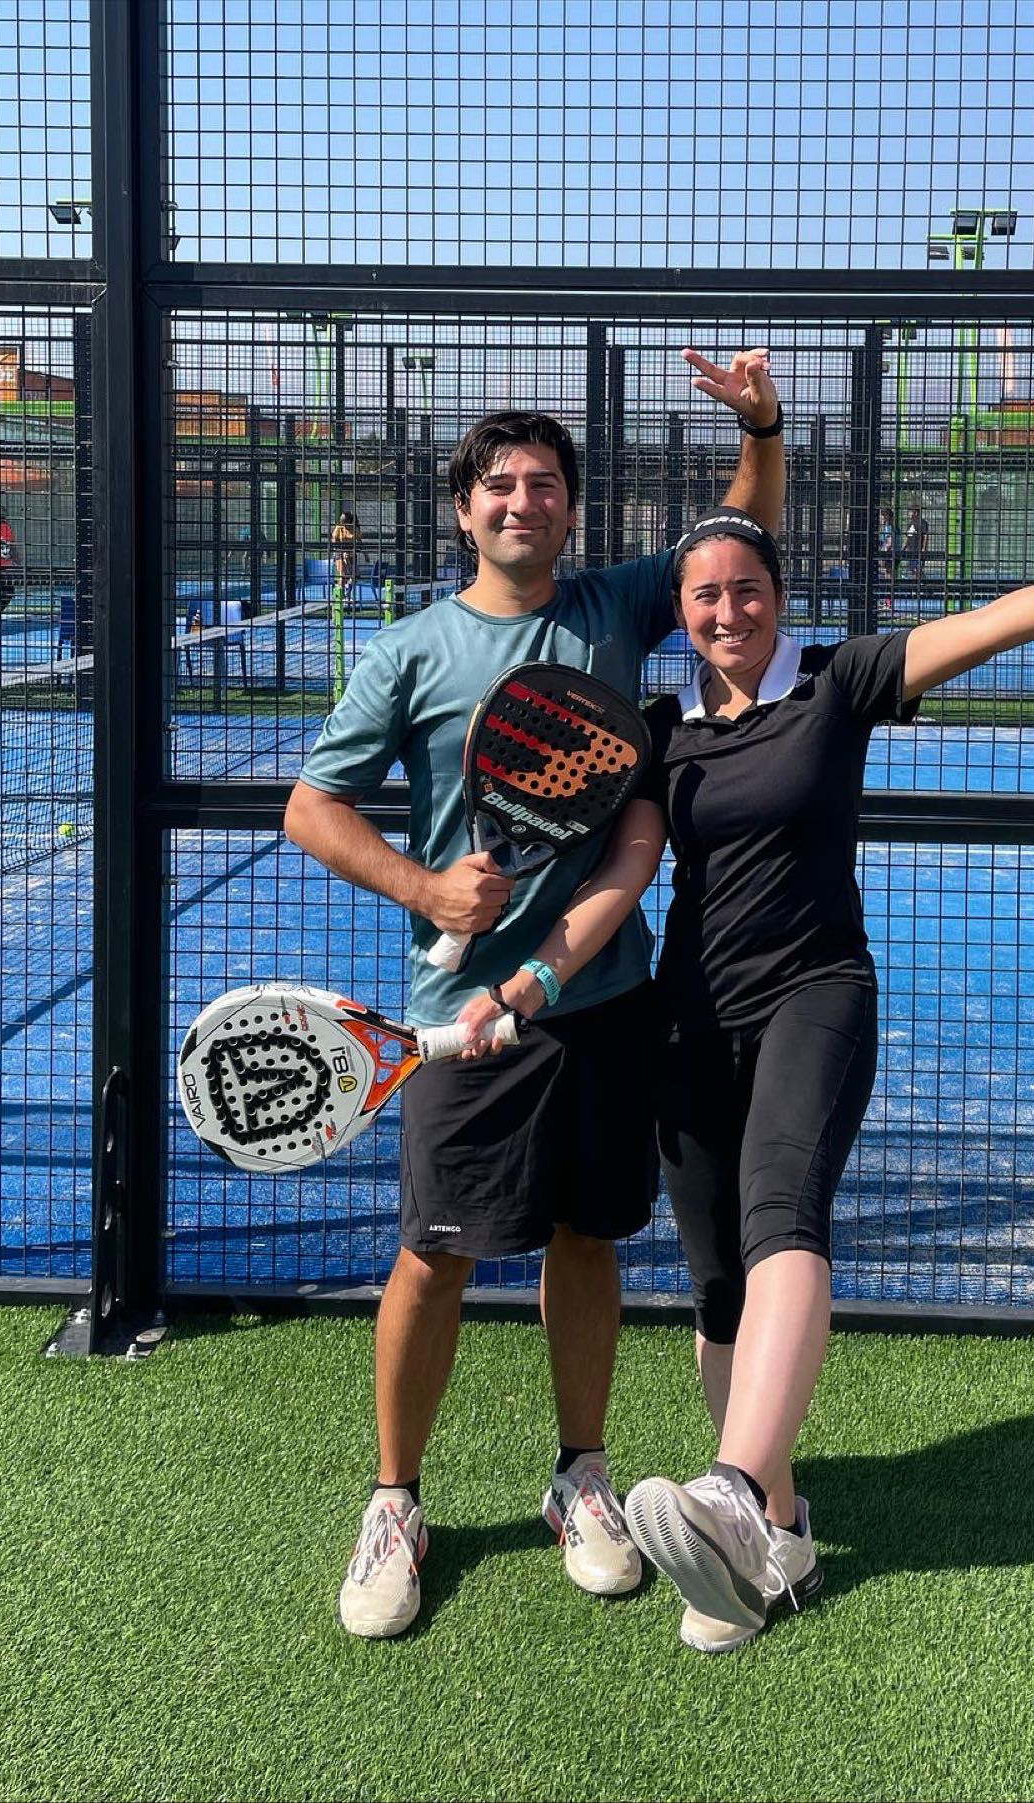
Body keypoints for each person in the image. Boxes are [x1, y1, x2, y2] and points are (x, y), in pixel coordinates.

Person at [461, 481, 1034, 1654]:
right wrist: (529, 980)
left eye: (748, 592)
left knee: (784, 1214)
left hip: (816, 996)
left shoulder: (841, 680)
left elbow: (1007, 619)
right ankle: (775, 1536)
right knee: (718, 1282)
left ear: (781, 599)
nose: (727, 612)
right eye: (704, 597)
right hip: (692, 1021)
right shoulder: (661, 733)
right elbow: (625, 873)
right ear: (681, 612)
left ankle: (734, 1490)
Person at [281, 348, 786, 1641]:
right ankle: (395, 1499)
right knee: (436, 1251)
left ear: (570, 506)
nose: (523, 501)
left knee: (587, 1238)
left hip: (604, 999)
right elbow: (313, 807)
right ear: (465, 509)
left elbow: (736, 543)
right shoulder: (410, 651)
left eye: (545, 484)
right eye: (500, 485)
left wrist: (763, 432)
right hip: (461, 1014)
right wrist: (427, 887)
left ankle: (581, 1474)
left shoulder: (612, 609)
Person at [330, 509, 360, 603]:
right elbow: (334, 541)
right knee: (343, 575)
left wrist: (354, 552)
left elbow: (359, 542)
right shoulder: (339, 528)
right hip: (339, 552)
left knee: (355, 576)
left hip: (351, 552)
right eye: (341, 521)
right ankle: (340, 596)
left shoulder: (355, 529)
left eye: (344, 521)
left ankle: (348, 589)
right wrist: (343, 552)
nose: (342, 523)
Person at [901, 506, 929, 585]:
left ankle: (923, 584)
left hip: (918, 550)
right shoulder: (910, 523)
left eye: (910, 512)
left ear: (915, 513)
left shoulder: (922, 522)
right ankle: (916, 585)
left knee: (918, 569)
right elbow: (907, 538)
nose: (908, 514)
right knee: (913, 570)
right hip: (911, 550)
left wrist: (924, 548)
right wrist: (903, 548)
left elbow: (925, 536)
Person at [875, 505, 896, 582]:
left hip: (888, 554)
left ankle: (889, 587)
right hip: (890, 553)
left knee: (889, 572)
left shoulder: (888, 527)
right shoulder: (890, 527)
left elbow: (890, 543)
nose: (881, 518)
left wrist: (883, 556)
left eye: (883, 516)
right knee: (888, 572)